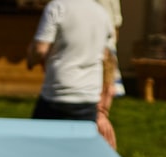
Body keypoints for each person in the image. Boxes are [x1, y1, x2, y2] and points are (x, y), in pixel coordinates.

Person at [25, 0, 117, 148]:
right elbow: (107, 57)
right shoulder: (102, 13)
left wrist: (31, 59)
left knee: (41, 151)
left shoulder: (57, 7)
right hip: (88, 98)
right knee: (79, 154)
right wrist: (103, 107)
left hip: (57, 95)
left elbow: (40, 49)